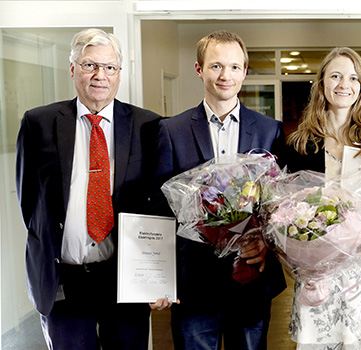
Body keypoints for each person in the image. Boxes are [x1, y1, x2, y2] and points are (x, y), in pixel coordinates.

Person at [15, 28, 161, 349]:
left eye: (109, 67)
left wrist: (157, 275)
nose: (100, 75)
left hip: (124, 277)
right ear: (72, 69)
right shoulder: (38, 123)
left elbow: (157, 206)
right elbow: (29, 204)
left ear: (119, 74)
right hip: (64, 279)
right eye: (89, 65)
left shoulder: (148, 126)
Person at [153, 30, 286, 350]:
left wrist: (267, 245)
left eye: (234, 67)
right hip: (193, 282)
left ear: (245, 71)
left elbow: (280, 203)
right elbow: (160, 209)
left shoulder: (270, 129)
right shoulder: (171, 130)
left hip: (252, 274)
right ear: (199, 70)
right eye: (216, 66)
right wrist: (157, 276)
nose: (226, 76)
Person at [274, 47, 361, 349]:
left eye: (353, 78)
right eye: (335, 76)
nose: (344, 84)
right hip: (318, 274)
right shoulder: (299, 144)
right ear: (321, 84)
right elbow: (285, 210)